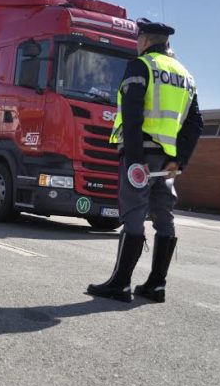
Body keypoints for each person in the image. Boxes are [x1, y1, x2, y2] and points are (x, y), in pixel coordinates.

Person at [87, 18, 203, 304]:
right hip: (167, 160)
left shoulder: (142, 65)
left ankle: (120, 284)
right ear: (168, 43)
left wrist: (136, 159)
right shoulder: (185, 75)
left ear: (145, 40)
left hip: (141, 154)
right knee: (164, 217)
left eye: (138, 38)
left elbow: (133, 112)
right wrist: (180, 160)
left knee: (134, 214)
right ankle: (156, 285)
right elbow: (195, 123)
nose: (137, 43)